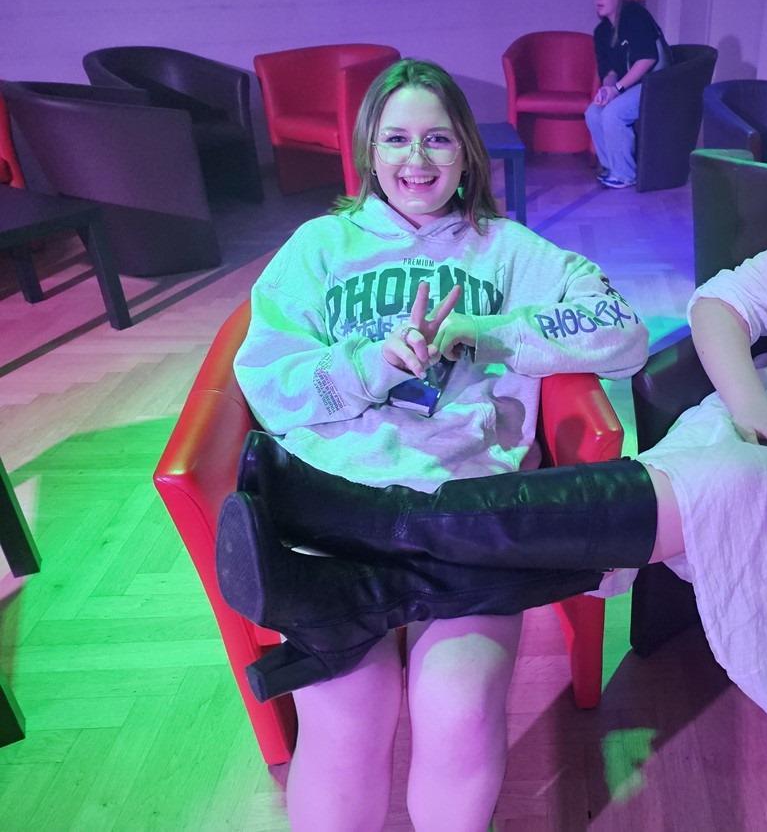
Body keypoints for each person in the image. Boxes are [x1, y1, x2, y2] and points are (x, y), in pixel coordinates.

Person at [218, 49, 767, 744]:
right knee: (681, 481)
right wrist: (747, 398)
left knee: (707, 485)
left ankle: (364, 534)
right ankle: (364, 596)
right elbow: (721, 300)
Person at [225, 58, 648, 832]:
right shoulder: (320, 247)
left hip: (465, 510)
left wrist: (485, 332)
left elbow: (623, 333)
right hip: (337, 510)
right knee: (348, 712)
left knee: (458, 707)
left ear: (466, 153)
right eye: (396, 139)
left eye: (438, 140)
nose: (415, 160)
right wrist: (370, 364)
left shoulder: (508, 250)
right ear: (369, 149)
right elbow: (267, 385)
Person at [585, 0, 668, 189]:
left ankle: (625, 174)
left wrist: (618, 90)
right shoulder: (601, 32)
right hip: (628, 86)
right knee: (593, 112)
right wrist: (607, 89)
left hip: (655, 84)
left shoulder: (634, 15)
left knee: (614, 113)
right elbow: (609, 71)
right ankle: (611, 167)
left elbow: (647, 59)